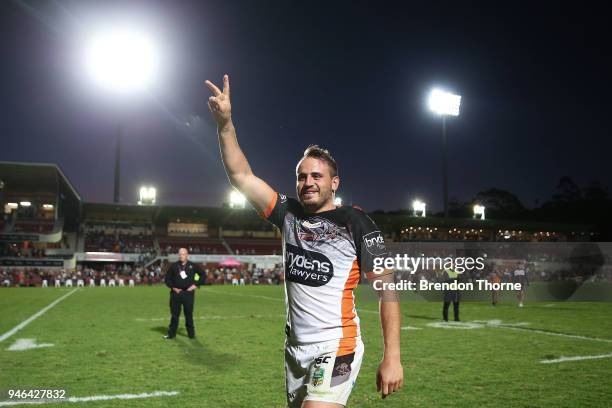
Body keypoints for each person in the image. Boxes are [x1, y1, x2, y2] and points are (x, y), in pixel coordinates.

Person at [205, 75, 403, 407]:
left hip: (337, 345)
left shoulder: (357, 222)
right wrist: (225, 124)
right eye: (301, 176)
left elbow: (388, 289)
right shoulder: (288, 213)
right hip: (294, 349)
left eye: (316, 176)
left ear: (334, 182)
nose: (307, 182)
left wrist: (392, 356)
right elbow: (241, 176)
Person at [164, 248, 205, 339]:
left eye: (183, 254)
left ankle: (191, 335)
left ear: (187, 255)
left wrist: (195, 285)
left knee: (189, 315)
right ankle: (171, 334)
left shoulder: (193, 266)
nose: (181, 256)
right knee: (174, 315)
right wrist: (173, 288)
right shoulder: (174, 266)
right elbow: (167, 279)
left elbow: (203, 275)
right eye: (180, 254)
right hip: (176, 294)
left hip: (188, 294)